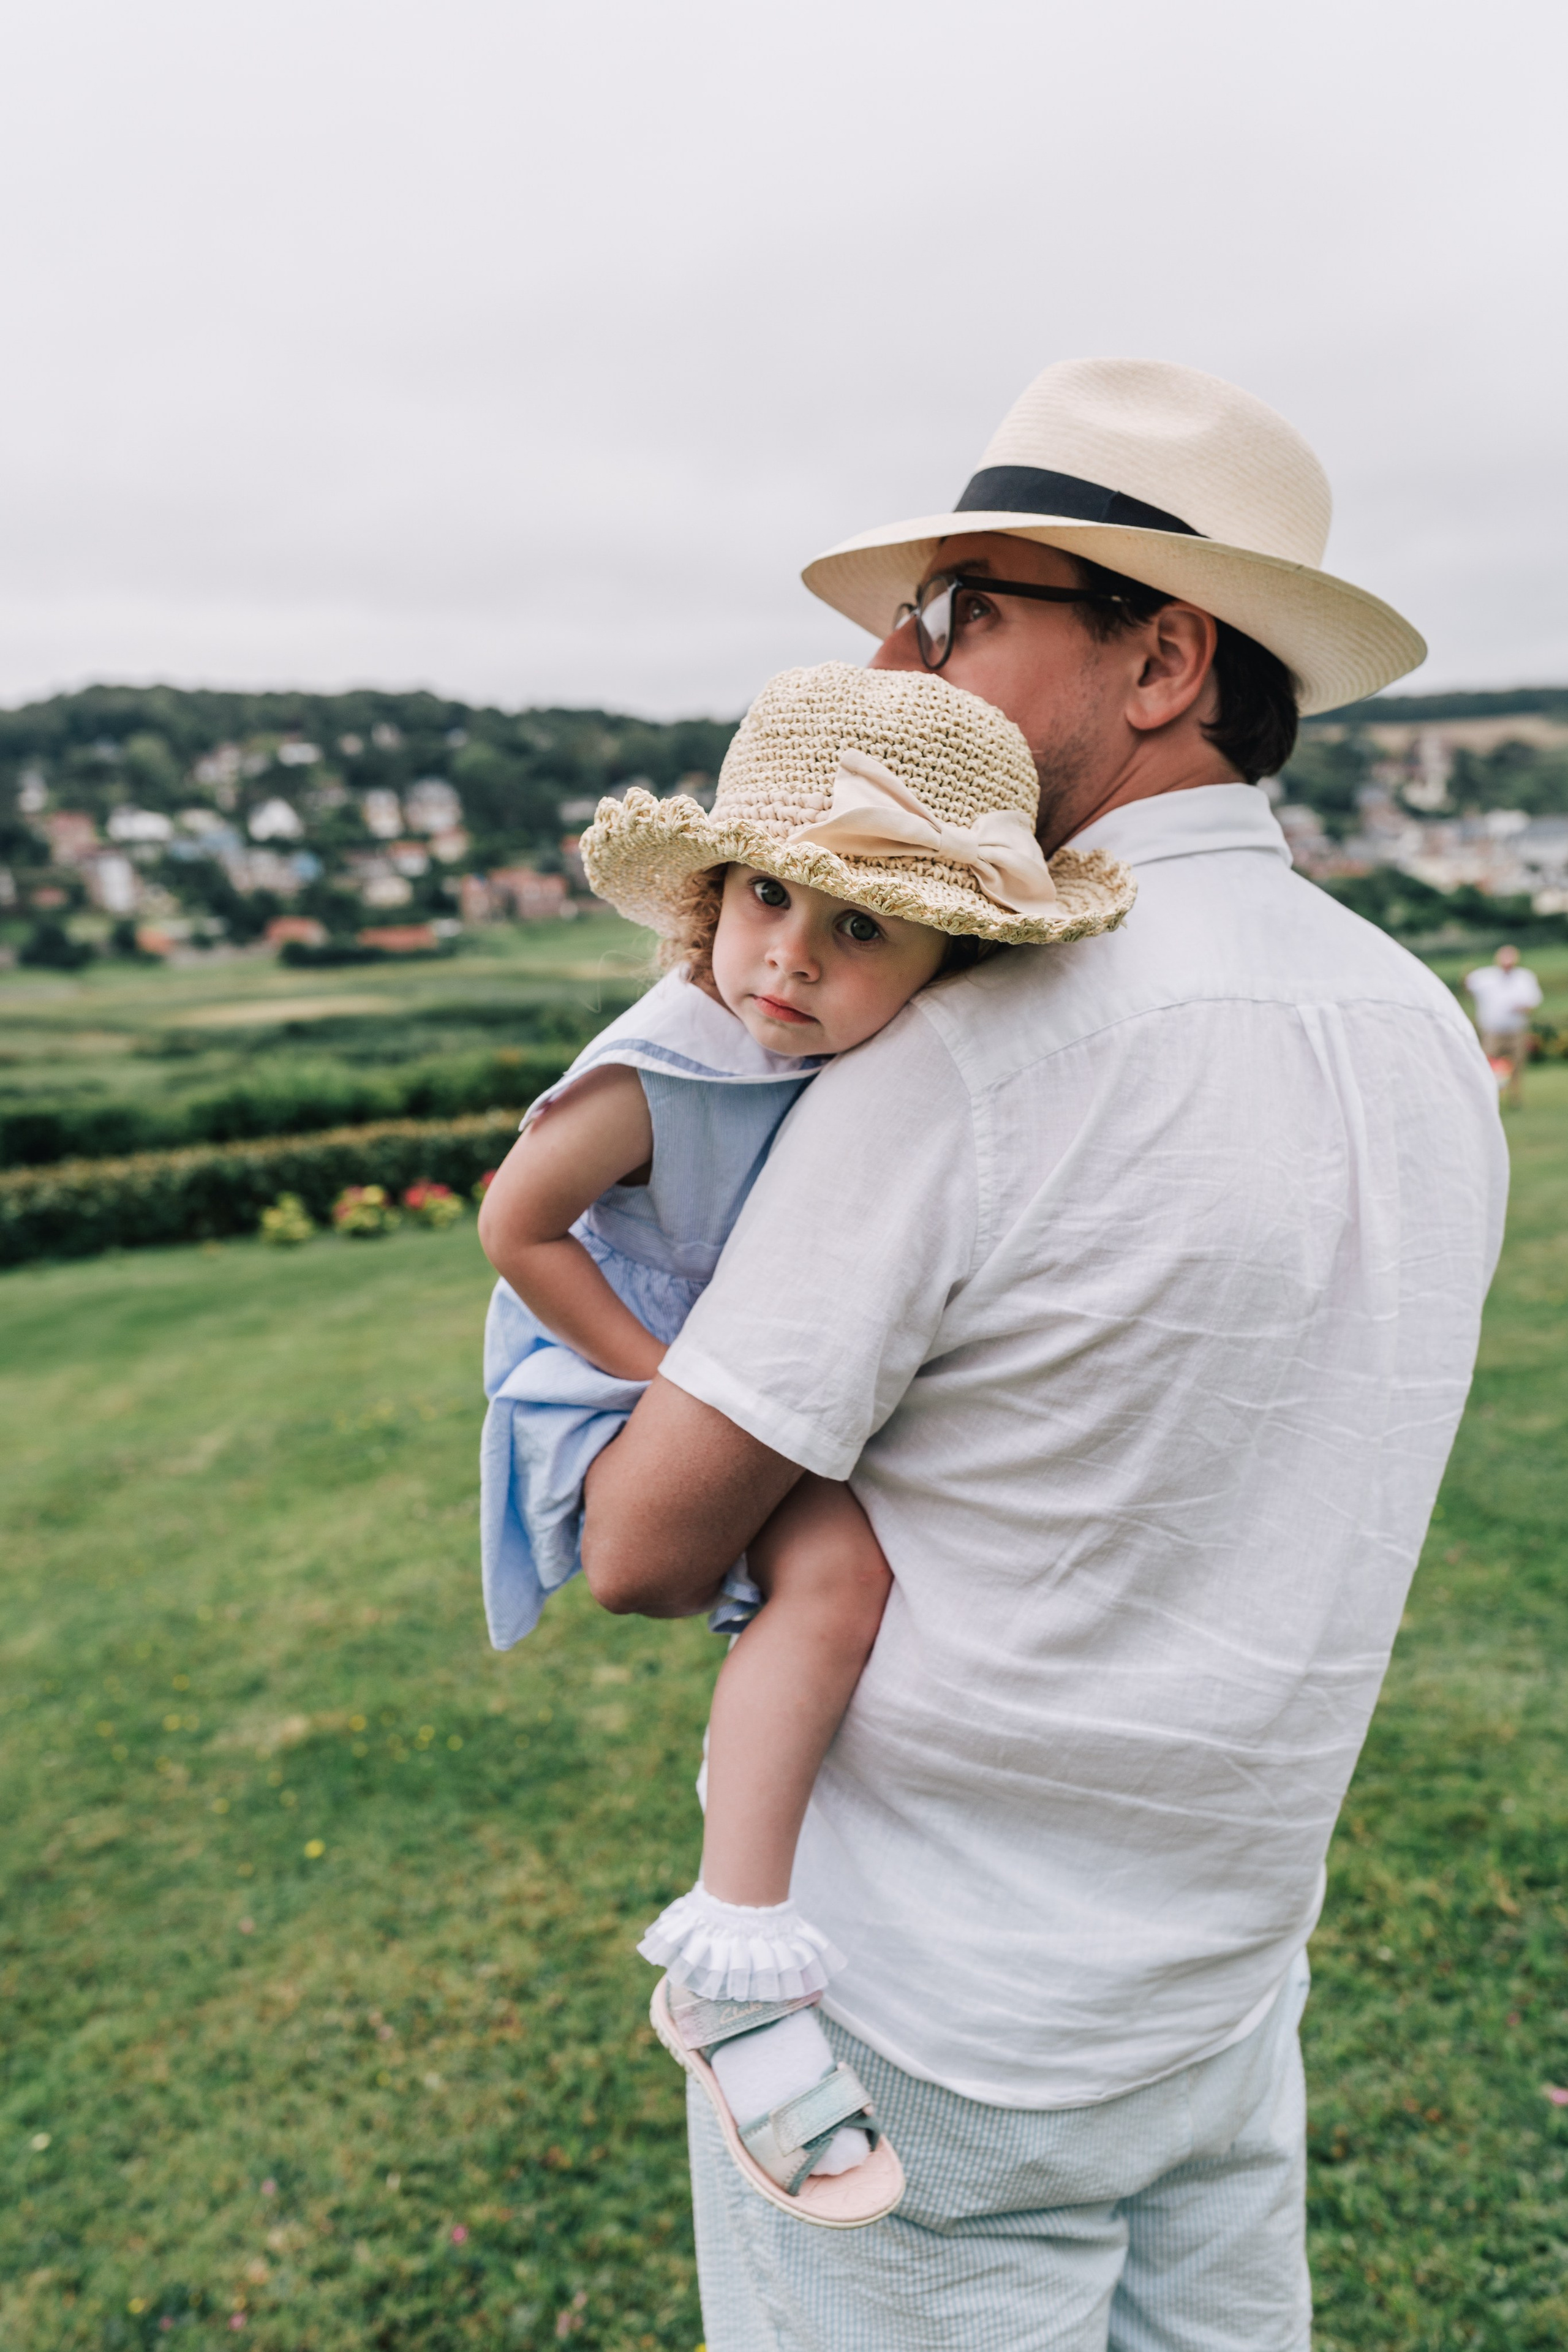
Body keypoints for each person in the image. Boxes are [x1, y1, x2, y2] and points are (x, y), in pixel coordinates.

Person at [579, 359, 1510, 2351]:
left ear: (1164, 657)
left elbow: (644, 1546)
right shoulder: (1425, 1020)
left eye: (970, 609)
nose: (910, 661)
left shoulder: (973, 1051)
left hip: (925, 2029)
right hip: (1227, 1990)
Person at [476, 660, 1131, 2226]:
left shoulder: (834, 1065)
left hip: (714, 1359)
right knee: (833, 1576)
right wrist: (678, 1376)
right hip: (606, 1374)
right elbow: (517, 1224)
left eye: (861, 930)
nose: (790, 958)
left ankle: (754, 1822)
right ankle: (733, 1956)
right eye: (771, 896)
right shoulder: (665, 1066)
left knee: (840, 1573)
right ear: (709, 896)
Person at [1466, 942, 1541, 1106]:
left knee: (1517, 1063)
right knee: (1489, 1062)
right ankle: (1491, 1095)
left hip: (1516, 1029)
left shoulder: (1525, 977)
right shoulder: (1485, 977)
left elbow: (1533, 1002)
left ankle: (1515, 1096)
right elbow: (1468, 985)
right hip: (1493, 1030)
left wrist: (1523, 1008)